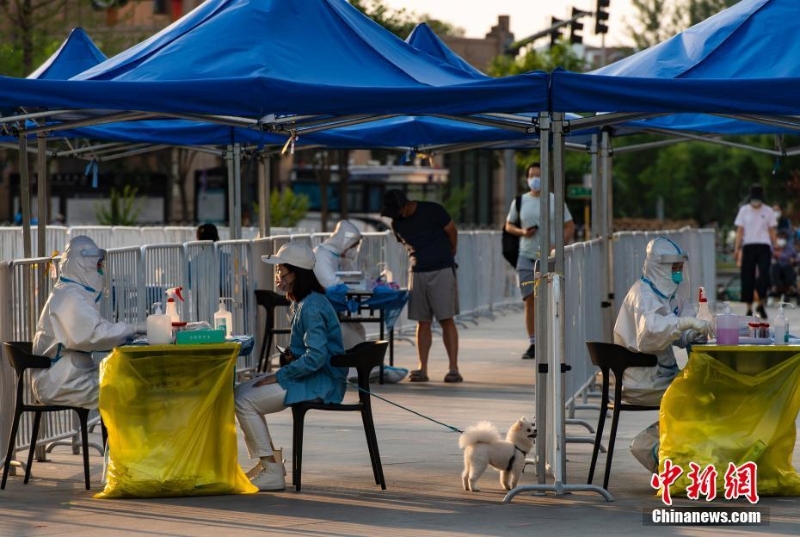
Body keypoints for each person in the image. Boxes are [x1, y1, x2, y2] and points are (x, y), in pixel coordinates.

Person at [235, 241, 347, 491]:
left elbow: (316, 357)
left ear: (297, 273)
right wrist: (288, 358)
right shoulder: (305, 302)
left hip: (321, 382)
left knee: (243, 401)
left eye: (281, 272)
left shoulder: (311, 306)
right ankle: (270, 463)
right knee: (240, 392)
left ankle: (272, 469)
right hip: (311, 377)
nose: (277, 277)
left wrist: (281, 374)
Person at [32, 235, 144, 409]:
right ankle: (126, 436)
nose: (100, 270)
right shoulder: (70, 296)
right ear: (83, 265)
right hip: (60, 382)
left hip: (70, 375)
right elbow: (92, 334)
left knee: (129, 382)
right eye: (98, 265)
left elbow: (92, 329)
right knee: (128, 388)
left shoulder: (72, 291)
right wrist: (133, 329)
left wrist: (129, 332)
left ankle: (121, 436)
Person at [613, 237, 712, 406]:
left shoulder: (667, 296)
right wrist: (684, 323)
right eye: (675, 268)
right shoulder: (642, 294)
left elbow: (678, 331)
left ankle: (678, 432)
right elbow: (649, 333)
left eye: (680, 268)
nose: (678, 274)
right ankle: (680, 432)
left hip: (660, 377)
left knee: (706, 386)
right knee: (702, 393)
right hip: (643, 384)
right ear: (660, 268)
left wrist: (692, 333)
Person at [380, 189, 461, 383]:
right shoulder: (396, 223)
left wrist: (451, 251)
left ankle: (453, 368)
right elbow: (404, 244)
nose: (396, 215)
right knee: (422, 321)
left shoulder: (433, 210)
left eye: (397, 211)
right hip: (417, 271)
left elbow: (452, 230)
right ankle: (422, 368)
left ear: (405, 204)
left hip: (441, 268)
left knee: (446, 319)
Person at [504, 162, 575, 360]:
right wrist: (522, 232)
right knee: (529, 300)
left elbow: (570, 226)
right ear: (527, 178)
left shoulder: (555, 200)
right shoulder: (520, 201)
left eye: (538, 175)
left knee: (551, 299)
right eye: (532, 175)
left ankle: (552, 340)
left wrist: (558, 245)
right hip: (526, 256)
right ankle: (533, 342)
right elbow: (508, 225)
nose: (535, 179)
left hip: (550, 257)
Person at [313, 219, 366, 349]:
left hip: (331, 309)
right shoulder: (322, 255)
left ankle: (363, 366)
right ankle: (356, 366)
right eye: (353, 246)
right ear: (346, 241)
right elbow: (332, 286)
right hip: (319, 312)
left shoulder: (335, 255)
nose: (354, 250)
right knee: (350, 334)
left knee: (358, 328)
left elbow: (351, 276)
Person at [734, 184, 778, 319]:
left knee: (764, 275)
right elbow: (740, 231)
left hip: (764, 246)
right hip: (748, 245)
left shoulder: (768, 211)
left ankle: (761, 303)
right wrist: (737, 248)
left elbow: (771, 230)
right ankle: (749, 307)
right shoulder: (744, 211)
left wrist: (775, 246)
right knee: (747, 276)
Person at [769, 229, 798, 301]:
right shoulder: (772, 248)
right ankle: (775, 287)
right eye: (780, 238)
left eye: (783, 238)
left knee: (787, 268)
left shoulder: (790, 248)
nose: (781, 240)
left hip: (787, 268)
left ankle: (790, 287)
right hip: (776, 268)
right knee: (775, 267)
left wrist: (794, 260)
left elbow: (797, 257)